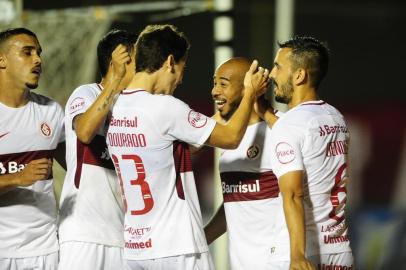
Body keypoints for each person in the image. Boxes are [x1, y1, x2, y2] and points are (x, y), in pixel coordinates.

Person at [106, 24, 269, 270]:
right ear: (170, 62)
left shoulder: (115, 108)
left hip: (136, 249)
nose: (181, 79)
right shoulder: (165, 107)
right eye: (182, 69)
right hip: (176, 247)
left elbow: (173, 149)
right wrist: (249, 94)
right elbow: (231, 138)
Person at [268, 36, 354, 270]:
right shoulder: (336, 118)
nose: (271, 75)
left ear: (299, 75)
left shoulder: (290, 125)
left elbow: (294, 194)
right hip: (339, 250)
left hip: (301, 253)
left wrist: (297, 256)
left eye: (278, 67)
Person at [58, 29, 136, 270]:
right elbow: (84, 131)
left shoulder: (136, 108)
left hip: (126, 237)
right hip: (84, 234)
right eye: (138, 60)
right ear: (120, 61)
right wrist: (114, 81)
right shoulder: (86, 93)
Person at [203, 57, 290, 270]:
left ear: (248, 86)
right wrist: (201, 239)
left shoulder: (280, 129)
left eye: (223, 84)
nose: (215, 91)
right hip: (242, 263)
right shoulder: (229, 135)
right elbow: (236, 203)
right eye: (214, 83)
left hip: (278, 261)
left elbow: (297, 197)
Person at [0, 28, 65, 270]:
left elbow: (79, 167)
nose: (38, 59)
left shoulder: (51, 111)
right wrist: (17, 177)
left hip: (46, 249)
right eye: (27, 52)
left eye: (38, 53)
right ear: (1, 59)